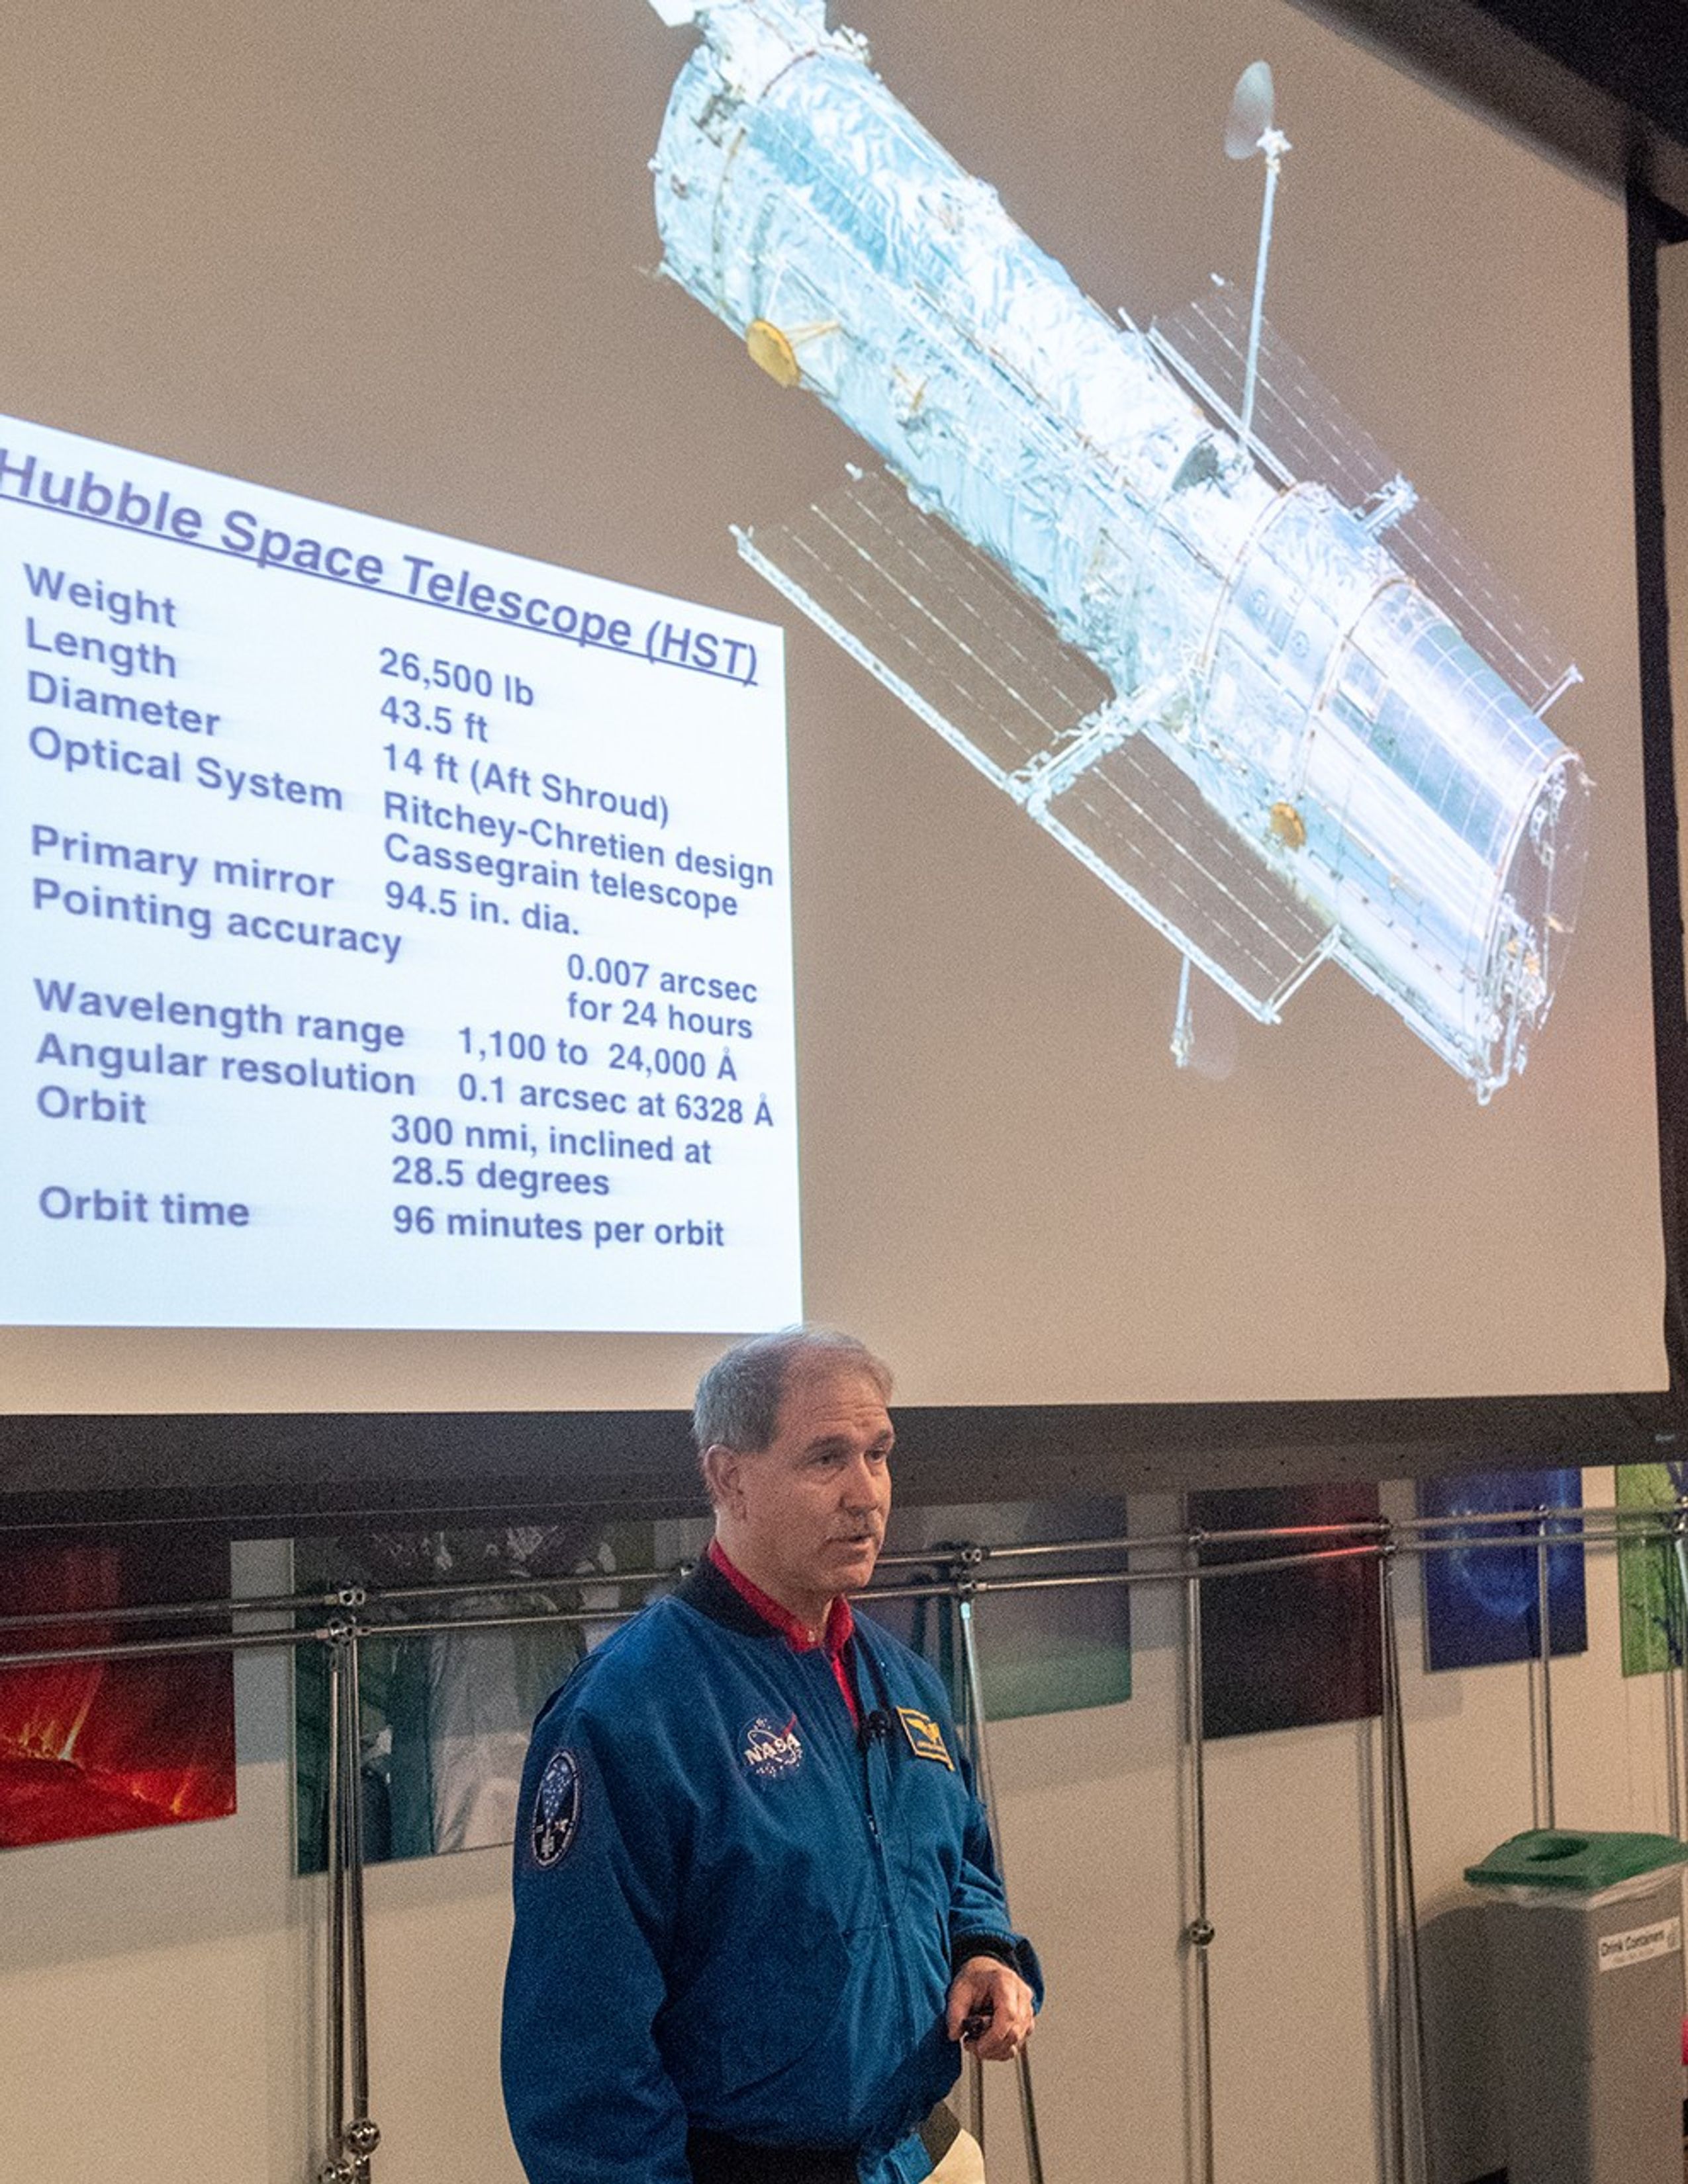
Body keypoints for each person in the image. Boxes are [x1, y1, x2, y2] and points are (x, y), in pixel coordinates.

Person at [502, 1327, 1042, 2184]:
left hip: (913, 2154)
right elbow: (579, 2052)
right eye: (826, 1459)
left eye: (878, 1453)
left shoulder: (901, 1681)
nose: (866, 1495)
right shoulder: (628, 1711)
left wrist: (984, 1954)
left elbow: (960, 1861)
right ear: (727, 1477)